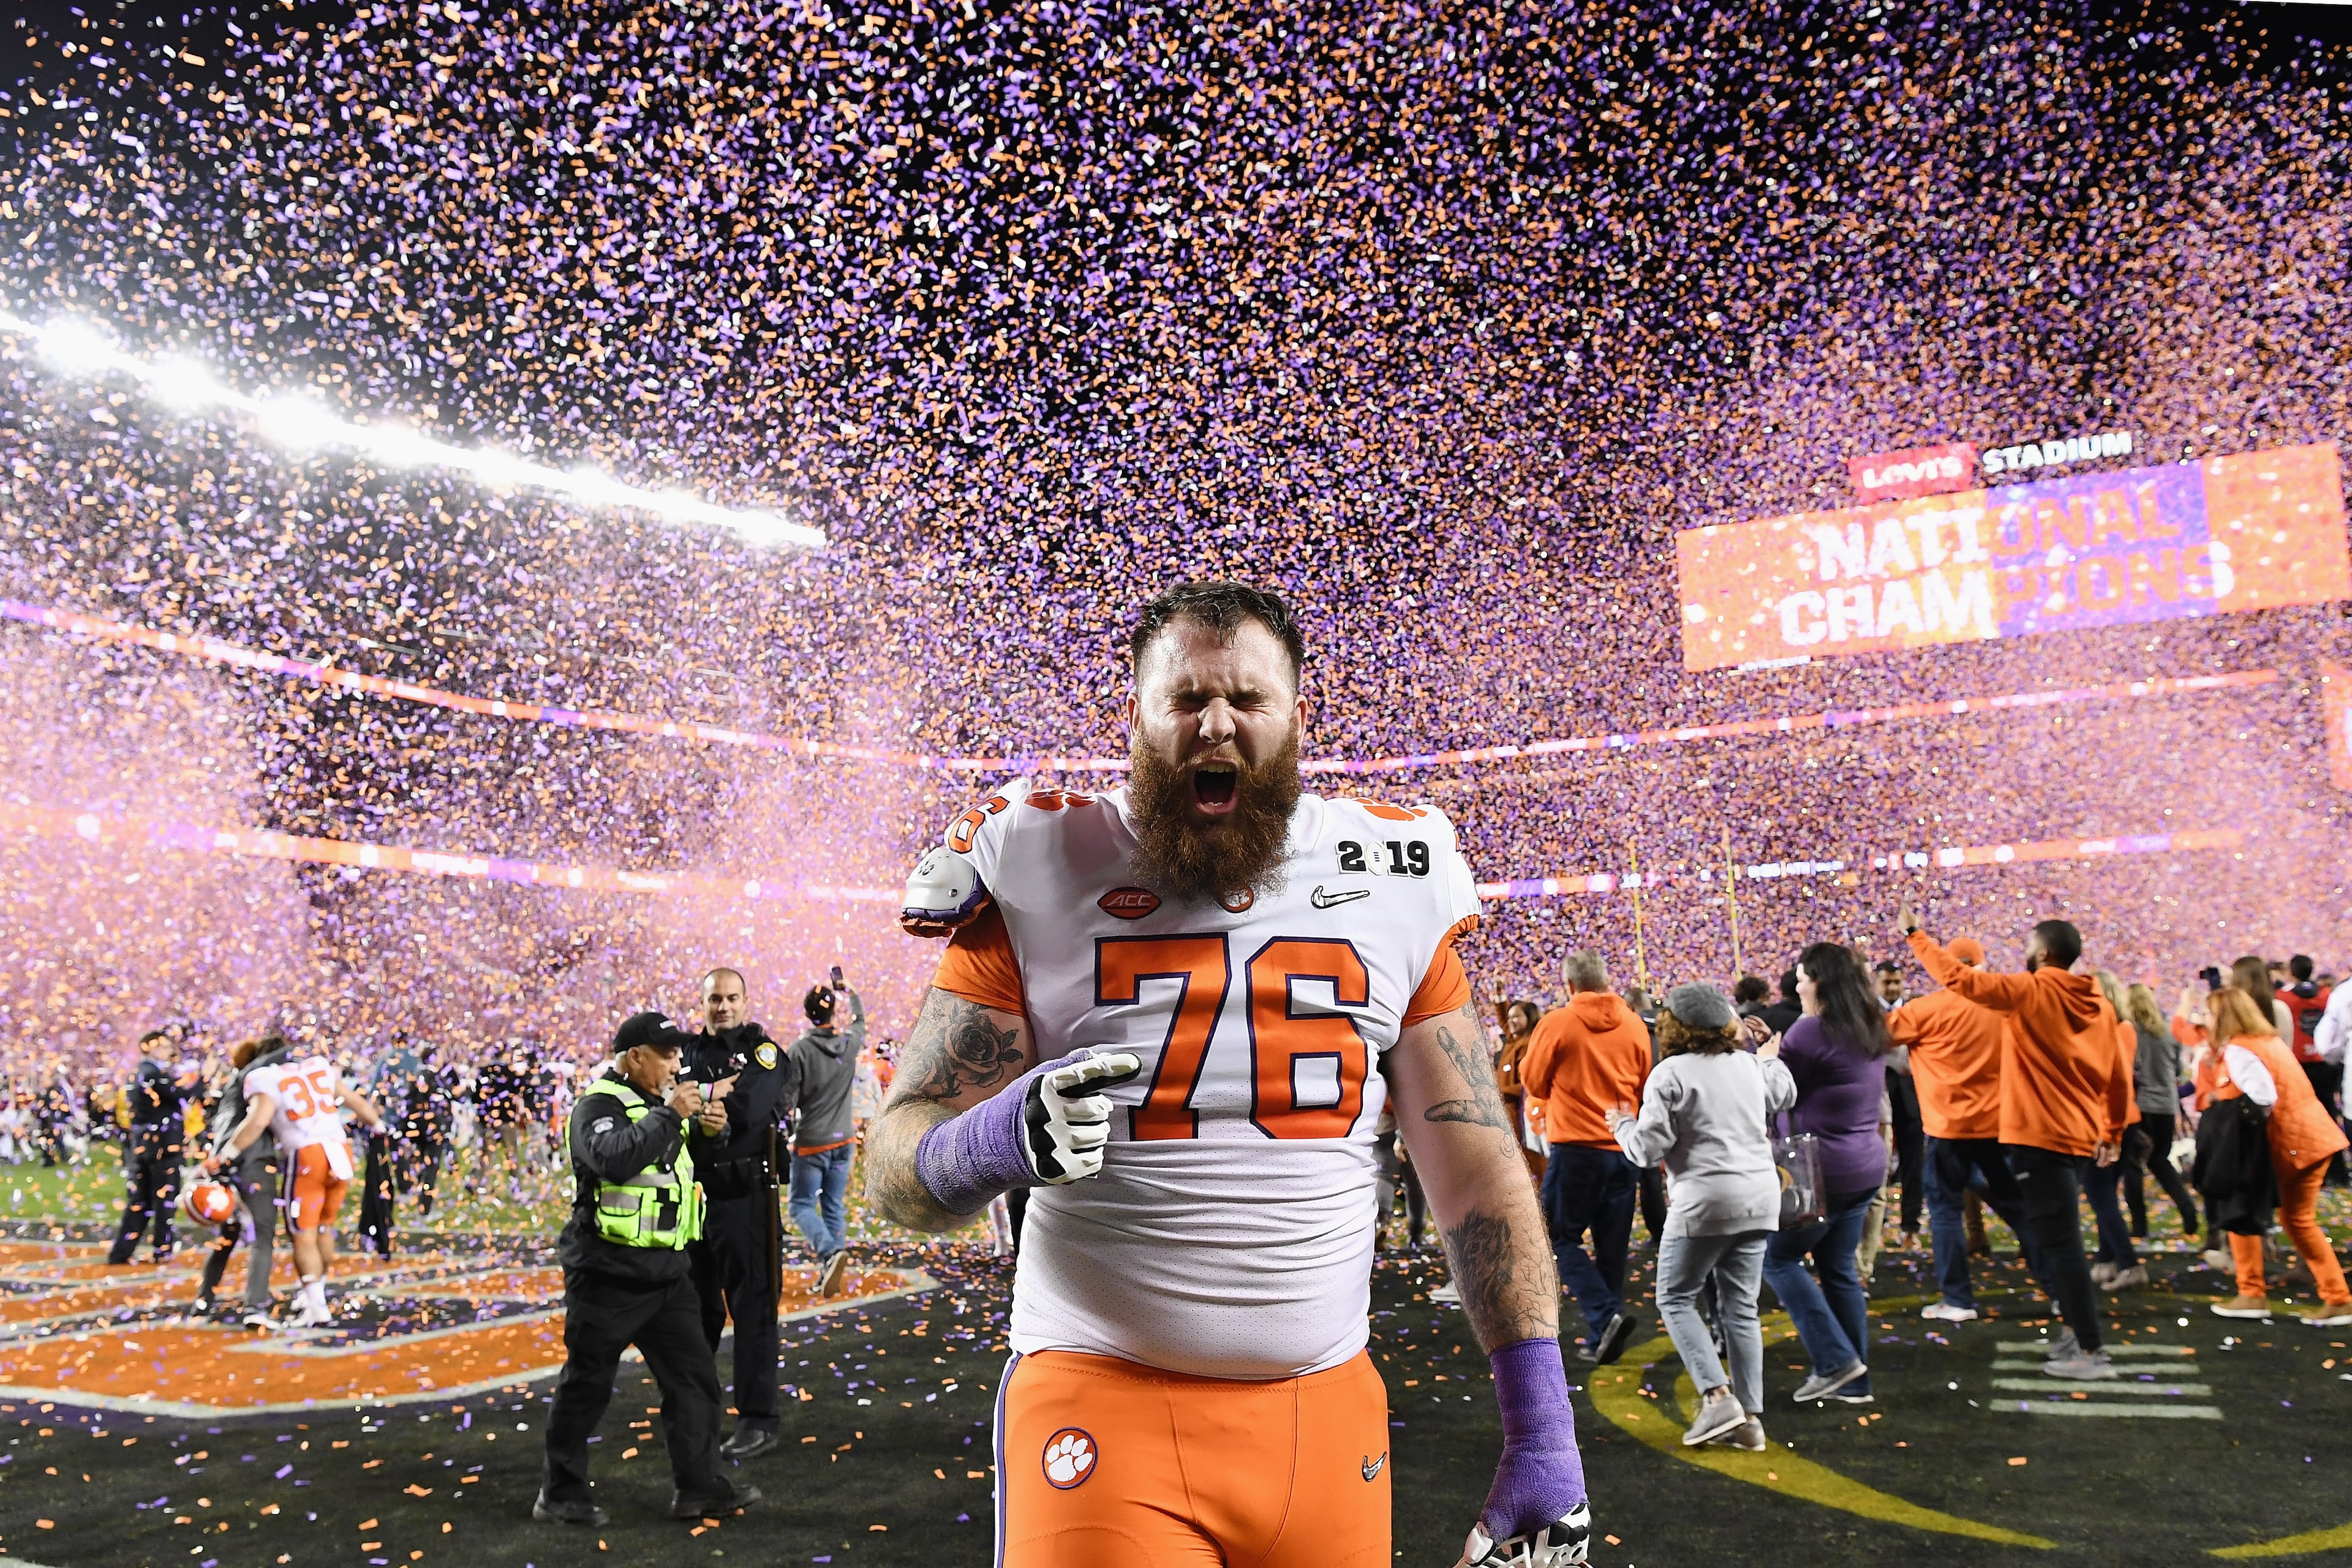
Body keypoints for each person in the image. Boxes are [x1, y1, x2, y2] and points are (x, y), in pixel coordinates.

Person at [870, 581, 1589, 1568]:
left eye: (1249, 701)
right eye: (1186, 700)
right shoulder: (1039, 864)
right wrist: (990, 1141)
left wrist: (1544, 1434)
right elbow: (895, 1172)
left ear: (1298, 717)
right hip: (1098, 1399)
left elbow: (1473, 1171)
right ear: (1134, 717)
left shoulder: (1391, 874)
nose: (1217, 725)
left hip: (1325, 1417)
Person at [538, 1011, 759, 1526]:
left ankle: (700, 1487)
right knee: (586, 1385)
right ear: (635, 1057)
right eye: (667, 1054)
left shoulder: (655, 1102)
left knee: (695, 1381)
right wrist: (671, 1114)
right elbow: (613, 1160)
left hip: (666, 1272)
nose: (677, 1063)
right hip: (607, 1274)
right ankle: (560, 1493)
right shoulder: (597, 1104)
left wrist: (708, 1133)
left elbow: (670, 1170)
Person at [1904, 904, 2128, 1380]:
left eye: (2028, 946)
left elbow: (1961, 981)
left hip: (2038, 1134)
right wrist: (2112, 1131)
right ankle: (2077, 1334)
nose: (2022, 954)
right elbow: (2116, 1074)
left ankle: (2090, 1350)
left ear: (2044, 952)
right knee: (2054, 1234)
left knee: (2062, 1242)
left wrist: (1915, 935)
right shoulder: (2101, 1006)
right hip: (2078, 1132)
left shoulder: (2029, 992)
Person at [1609, 983, 1795, 1452]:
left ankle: (1717, 1397)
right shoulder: (1750, 1066)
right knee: (1741, 1308)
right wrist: (1767, 1053)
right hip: (1759, 1198)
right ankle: (1750, 1420)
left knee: (1675, 1297)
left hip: (1705, 1201)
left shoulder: (1670, 1073)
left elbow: (1647, 1151)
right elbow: (1784, 1092)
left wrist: (1621, 1125)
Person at [1762, 944, 1893, 1406]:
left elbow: (1774, 1093)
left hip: (1822, 1172)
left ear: (1823, 982)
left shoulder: (1808, 1030)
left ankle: (1835, 1361)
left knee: (1776, 1260)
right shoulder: (1872, 1024)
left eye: (1803, 977)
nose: (1797, 985)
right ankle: (1855, 1379)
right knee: (1838, 1270)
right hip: (1865, 1165)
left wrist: (1764, 1056)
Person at [680, 965, 795, 1461]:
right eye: (714, 999)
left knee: (753, 1310)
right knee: (693, 1314)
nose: (722, 1006)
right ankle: (694, 1413)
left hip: (747, 1199)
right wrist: (716, 1091)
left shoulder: (766, 1053)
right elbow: (665, 1101)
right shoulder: (682, 1050)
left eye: (731, 998)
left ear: (746, 1003)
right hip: (691, 1202)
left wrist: (696, 1097)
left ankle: (757, 1419)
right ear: (701, 1003)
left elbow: (749, 1109)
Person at [1887, 935, 2033, 1322]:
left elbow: (1875, 1038)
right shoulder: (2006, 1005)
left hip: (1949, 1128)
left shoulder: (1925, 1009)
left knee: (1947, 1212)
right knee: (2019, 1209)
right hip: (2000, 1127)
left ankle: (1958, 1299)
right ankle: (2058, 1290)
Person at [1520, 948, 1654, 1366]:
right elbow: (1646, 1083)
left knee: (1557, 1237)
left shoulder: (1558, 1021)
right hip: (1623, 1148)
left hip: (1576, 1148)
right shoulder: (1634, 1024)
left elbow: (1535, 1083)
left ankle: (1605, 1315)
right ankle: (1604, 1335)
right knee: (1612, 1246)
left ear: (1570, 985)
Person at [2200, 986, 2352, 1326]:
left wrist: (2227, 1118)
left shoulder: (2241, 1049)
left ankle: (2252, 1292)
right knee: (2296, 1220)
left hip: (2292, 1145)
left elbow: (2262, 1097)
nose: (2204, 1020)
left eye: (2209, 1014)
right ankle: (2337, 1296)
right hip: (2311, 1139)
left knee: (2243, 1213)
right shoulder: (2266, 1042)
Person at [206, 1040, 383, 1327]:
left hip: (307, 1154)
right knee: (324, 1228)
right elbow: (358, 1103)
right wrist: (378, 1125)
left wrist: (226, 1154)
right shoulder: (317, 1068)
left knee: (302, 1234)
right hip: (340, 1151)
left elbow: (257, 1121)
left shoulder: (265, 1077)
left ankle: (316, 1306)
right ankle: (314, 1296)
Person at [780, 977, 865, 1295]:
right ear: (834, 1012)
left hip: (812, 1142)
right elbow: (861, 1023)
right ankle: (833, 1268)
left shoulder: (799, 1050)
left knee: (801, 1206)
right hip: (844, 1141)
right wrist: (851, 992)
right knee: (833, 1206)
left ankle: (830, 1254)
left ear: (807, 1013)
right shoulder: (848, 1042)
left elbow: (787, 1100)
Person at [2122, 981, 2198, 1241]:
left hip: (2140, 1106)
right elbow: (2177, 1071)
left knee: (2133, 1165)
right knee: (2159, 1160)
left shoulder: (2129, 1032)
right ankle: (2188, 1209)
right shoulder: (2168, 1033)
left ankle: (2139, 1226)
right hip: (2167, 1105)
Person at [2084, 972, 2145, 1291]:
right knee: (2104, 1193)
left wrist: (2110, 1132)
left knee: (2100, 1194)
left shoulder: (2111, 1029)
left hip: (2107, 1122)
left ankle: (2129, 1263)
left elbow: (2111, 1081)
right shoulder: (2124, 1028)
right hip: (2122, 1119)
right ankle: (2107, 1260)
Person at [107, 1035, 189, 1265]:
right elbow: (182, 1095)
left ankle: (121, 1252)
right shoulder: (153, 1074)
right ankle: (162, 1248)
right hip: (162, 1147)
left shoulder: (137, 1073)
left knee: (139, 1200)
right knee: (164, 1198)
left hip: (142, 1146)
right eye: (164, 1047)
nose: (168, 1051)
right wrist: (204, 1079)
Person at [2281, 956, 2344, 1186]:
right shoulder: (2327, 994)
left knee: (2304, 1121)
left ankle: (2314, 1169)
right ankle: (2338, 1171)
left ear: (2292, 972)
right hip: (2323, 1063)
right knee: (2329, 1116)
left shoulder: (2285, 998)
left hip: (2300, 1065)